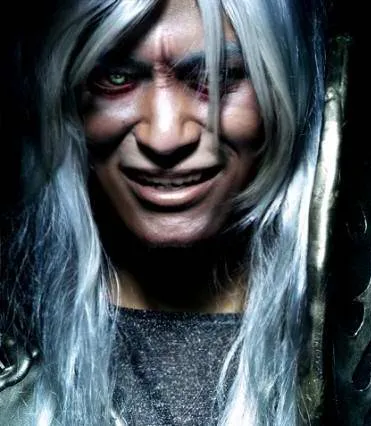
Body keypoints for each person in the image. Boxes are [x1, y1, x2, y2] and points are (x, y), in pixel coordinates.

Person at [0, 0, 325, 424]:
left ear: (284, 88)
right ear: (65, 99)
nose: (165, 138)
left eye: (214, 77)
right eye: (116, 78)